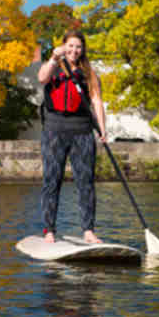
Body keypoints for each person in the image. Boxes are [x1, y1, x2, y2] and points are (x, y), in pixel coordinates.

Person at [37, 30, 107, 244]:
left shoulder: (89, 73)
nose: (74, 50)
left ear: (82, 49)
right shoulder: (54, 66)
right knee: (52, 180)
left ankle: (88, 230)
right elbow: (42, 78)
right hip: (54, 130)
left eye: (78, 47)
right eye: (70, 46)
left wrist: (102, 129)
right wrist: (53, 58)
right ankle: (49, 230)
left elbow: (96, 101)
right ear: (63, 46)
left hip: (82, 131)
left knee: (86, 182)